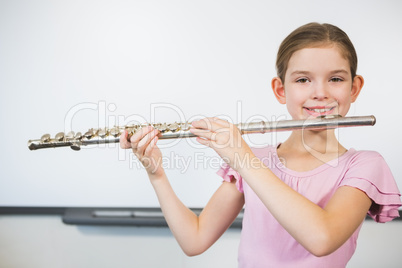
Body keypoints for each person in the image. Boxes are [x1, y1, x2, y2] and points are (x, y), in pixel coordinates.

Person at [120, 22, 402, 267]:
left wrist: (243, 158)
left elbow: (322, 238)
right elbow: (194, 240)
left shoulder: (364, 165)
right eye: (303, 79)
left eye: (336, 79)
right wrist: (156, 174)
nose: (320, 93)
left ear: (354, 88)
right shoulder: (254, 160)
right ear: (281, 90)